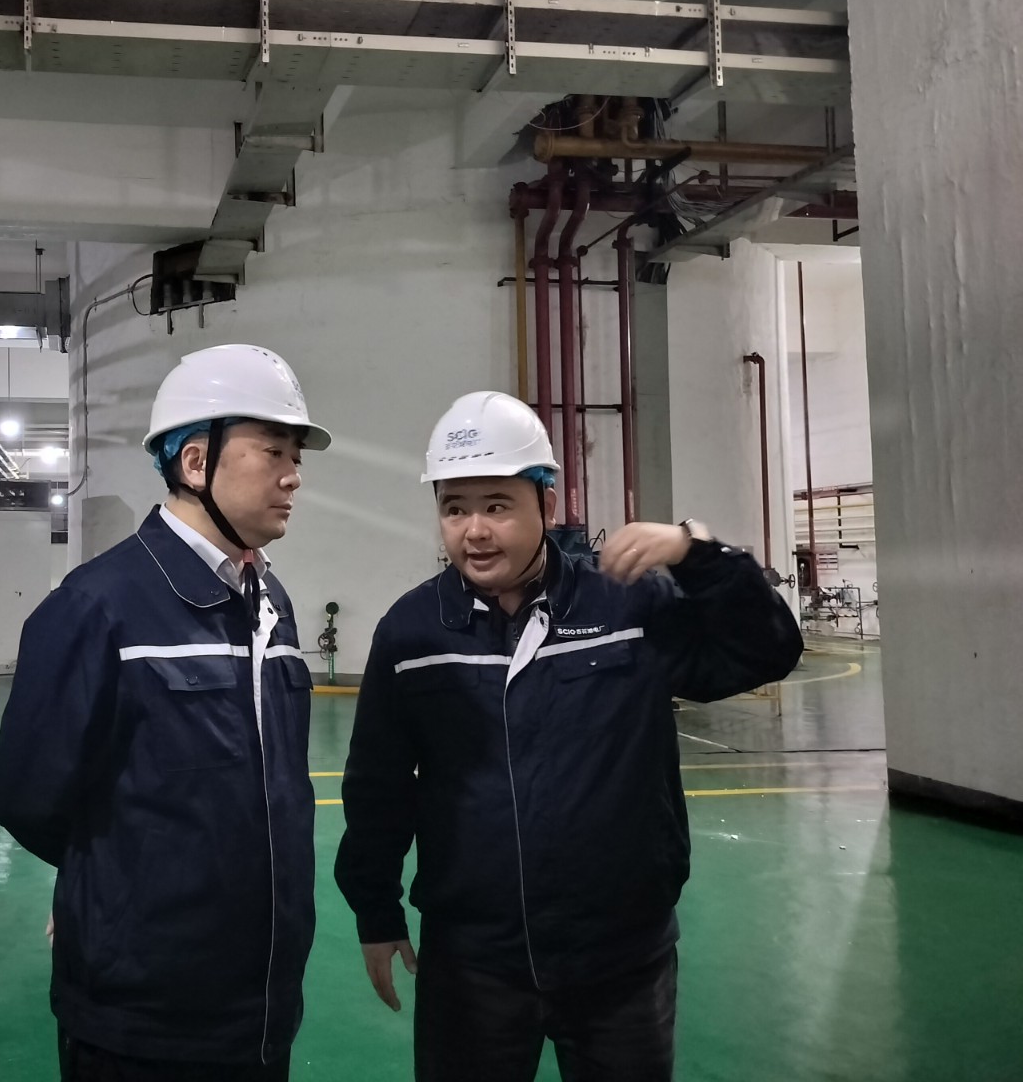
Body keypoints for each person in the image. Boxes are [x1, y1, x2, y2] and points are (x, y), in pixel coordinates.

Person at [335, 390, 803, 1082]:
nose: (474, 531)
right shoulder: (412, 633)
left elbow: (767, 652)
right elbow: (378, 784)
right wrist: (375, 911)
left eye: (498, 505)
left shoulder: (627, 604)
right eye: (454, 508)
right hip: (473, 963)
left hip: (622, 959)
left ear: (546, 503)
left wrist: (700, 555)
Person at [0, 343, 330, 1081]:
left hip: (261, 1004)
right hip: (140, 1015)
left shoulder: (270, 601)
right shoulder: (97, 606)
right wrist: (109, 883)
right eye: (273, 451)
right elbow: (25, 795)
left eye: (296, 455)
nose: (293, 474)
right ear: (196, 463)